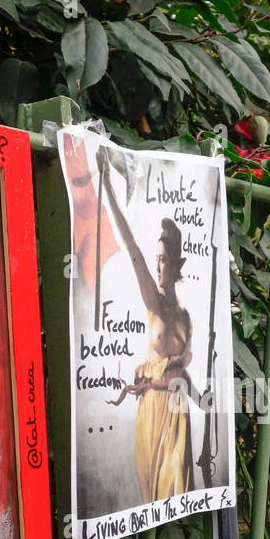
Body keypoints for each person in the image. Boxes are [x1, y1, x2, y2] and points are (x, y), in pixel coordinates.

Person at [98, 152, 194, 502]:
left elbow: (184, 373)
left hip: (178, 415)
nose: (158, 266)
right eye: (156, 260)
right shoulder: (153, 302)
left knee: (176, 492)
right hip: (153, 412)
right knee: (154, 495)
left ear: (177, 263)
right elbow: (131, 246)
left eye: (164, 260)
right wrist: (107, 185)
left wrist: (207, 405)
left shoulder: (185, 316)